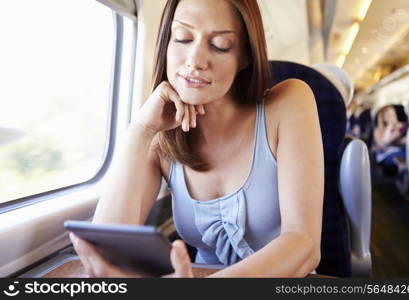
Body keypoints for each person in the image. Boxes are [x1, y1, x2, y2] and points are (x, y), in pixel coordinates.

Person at [70, 0, 324, 278]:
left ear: (245, 56)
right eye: (182, 38)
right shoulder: (159, 137)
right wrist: (140, 130)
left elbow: (304, 244)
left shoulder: (288, 103)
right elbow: (107, 250)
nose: (195, 60)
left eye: (219, 45)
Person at [373, 105, 407, 175]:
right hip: (386, 156)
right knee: (395, 156)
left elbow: (406, 141)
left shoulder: (402, 126)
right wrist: (389, 126)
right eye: (389, 115)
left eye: (393, 114)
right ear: (383, 118)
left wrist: (392, 141)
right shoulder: (377, 131)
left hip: (402, 152)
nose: (393, 117)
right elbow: (382, 145)